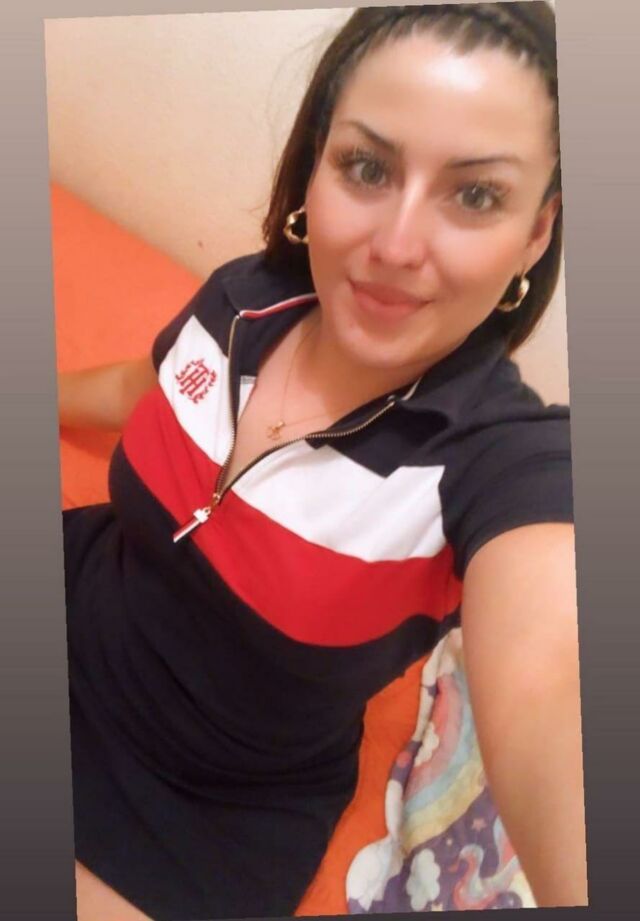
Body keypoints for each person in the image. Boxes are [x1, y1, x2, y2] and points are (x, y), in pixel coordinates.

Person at [58, 4, 587, 919]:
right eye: (368, 168)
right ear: (316, 166)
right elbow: (137, 387)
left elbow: (559, 674)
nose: (395, 246)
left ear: (536, 235)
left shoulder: (497, 463)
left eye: (475, 195)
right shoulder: (244, 301)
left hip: (196, 809)